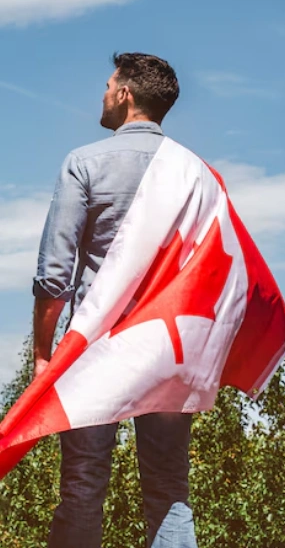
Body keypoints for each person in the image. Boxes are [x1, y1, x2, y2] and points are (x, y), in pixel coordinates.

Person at [33, 52, 198, 548]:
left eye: (108, 85)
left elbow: (54, 275)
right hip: (169, 347)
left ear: (125, 95)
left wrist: (43, 356)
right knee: (170, 488)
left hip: (96, 348)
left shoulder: (84, 163)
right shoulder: (196, 172)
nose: (103, 94)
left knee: (83, 484)